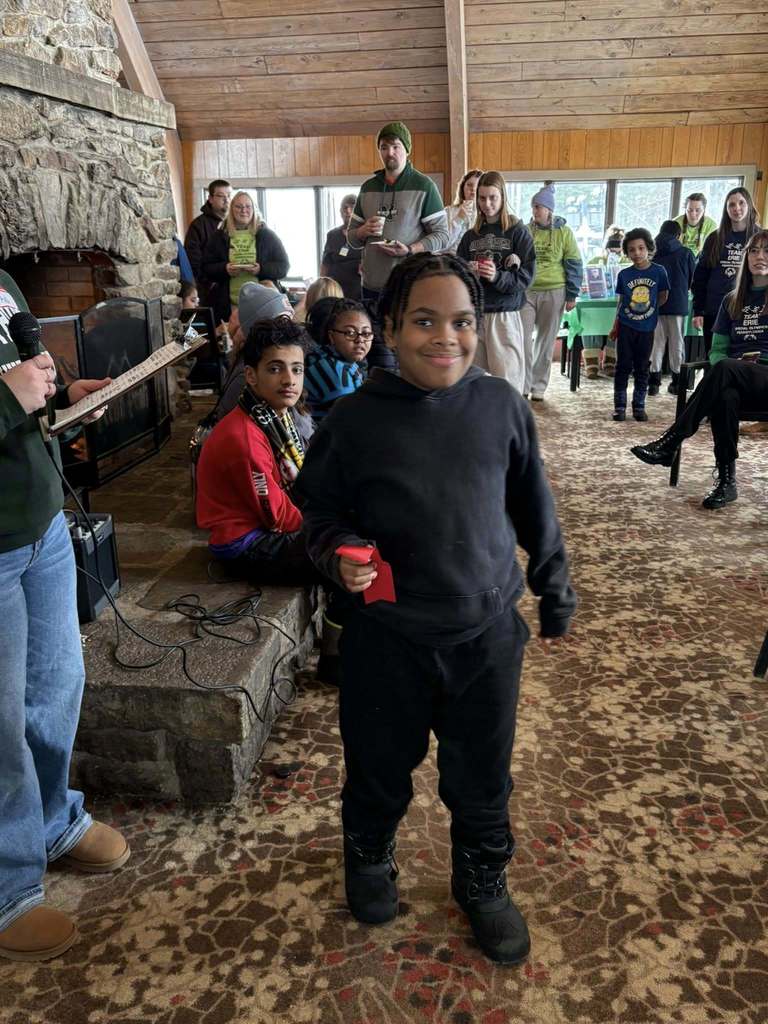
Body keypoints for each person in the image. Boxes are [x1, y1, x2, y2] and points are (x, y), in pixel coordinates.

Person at [294, 252, 576, 965]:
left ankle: (481, 878)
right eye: (424, 321)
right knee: (378, 766)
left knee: (482, 776)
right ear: (390, 327)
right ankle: (369, 852)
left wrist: (554, 585)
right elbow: (316, 512)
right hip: (385, 638)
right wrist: (338, 551)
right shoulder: (353, 420)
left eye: (462, 322)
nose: (445, 337)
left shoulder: (501, 406)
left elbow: (533, 506)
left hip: (486, 636)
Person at [0, 270, 130, 962]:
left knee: (56, 688)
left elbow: (24, 384)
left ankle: (52, 823)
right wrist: (6, 400)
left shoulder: (3, 282)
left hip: (42, 525)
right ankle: (8, 888)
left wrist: (61, 400)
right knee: (0, 726)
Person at [631, 230, 768, 509]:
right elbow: (717, 350)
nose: (760, 256)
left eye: (766, 251)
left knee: (726, 369)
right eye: (754, 251)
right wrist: (731, 368)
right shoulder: (731, 301)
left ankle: (671, 441)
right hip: (736, 380)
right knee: (725, 394)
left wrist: (734, 367)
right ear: (746, 258)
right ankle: (726, 482)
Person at [346, 121, 450, 300]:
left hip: (410, 286)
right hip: (371, 287)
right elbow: (351, 238)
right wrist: (362, 231)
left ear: (407, 149)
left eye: (396, 146)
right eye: (384, 147)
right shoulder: (367, 188)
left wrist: (410, 249)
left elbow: (442, 235)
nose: (390, 153)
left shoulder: (424, 186)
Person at [456, 170, 536, 394]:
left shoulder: (518, 232)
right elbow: (457, 274)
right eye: (482, 198)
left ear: (503, 197)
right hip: (475, 315)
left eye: (493, 197)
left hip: (505, 315)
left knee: (507, 382)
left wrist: (496, 276)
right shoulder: (470, 236)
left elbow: (527, 277)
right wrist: (468, 272)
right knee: (474, 382)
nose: (487, 204)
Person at [520, 183, 583, 401]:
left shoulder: (564, 233)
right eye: (533, 206)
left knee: (545, 342)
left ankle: (538, 386)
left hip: (555, 291)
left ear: (549, 209)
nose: (534, 210)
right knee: (522, 339)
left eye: (538, 206)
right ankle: (523, 384)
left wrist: (572, 294)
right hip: (527, 292)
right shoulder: (525, 230)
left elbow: (574, 263)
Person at [201, 191, 289, 326]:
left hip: (262, 305)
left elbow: (283, 267)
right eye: (239, 206)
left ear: (254, 209)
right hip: (228, 305)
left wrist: (261, 269)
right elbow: (206, 268)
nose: (244, 210)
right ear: (231, 209)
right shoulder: (219, 236)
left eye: (248, 206)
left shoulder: (267, 235)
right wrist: (225, 269)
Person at [610, 228, 669, 422]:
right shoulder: (624, 274)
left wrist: (648, 312)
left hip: (647, 328)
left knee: (642, 367)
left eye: (641, 248)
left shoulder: (659, 272)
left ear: (648, 248)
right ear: (627, 252)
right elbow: (621, 302)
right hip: (626, 326)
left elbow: (663, 296)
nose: (637, 253)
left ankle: (639, 406)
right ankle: (619, 407)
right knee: (622, 366)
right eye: (632, 249)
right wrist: (615, 325)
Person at [692, 186, 759, 356]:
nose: (737, 208)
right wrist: (698, 310)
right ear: (726, 209)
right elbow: (700, 277)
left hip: (749, 311)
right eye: (732, 205)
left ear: (749, 205)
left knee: (745, 360)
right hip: (714, 309)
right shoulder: (714, 238)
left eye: (741, 203)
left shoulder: (759, 237)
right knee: (715, 357)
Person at [648, 220, 696, 396]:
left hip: (655, 304)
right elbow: (692, 279)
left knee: (656, 343)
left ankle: (653, 383)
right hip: (678, 303)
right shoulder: (686, 253)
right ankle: (677, 383)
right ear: (678, 235)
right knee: (677, 344)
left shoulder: (651, 253)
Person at [304, 298, 372, 421]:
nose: (360, 340)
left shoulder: (340, 360)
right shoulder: (335, 371)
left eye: (366, 333)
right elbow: (355, 421)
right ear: (332, 336)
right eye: (350, 333)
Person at [582, 227, 627, 379]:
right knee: (589, 319)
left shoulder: (627, 263)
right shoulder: (595, 262)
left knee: (617, 320)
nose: (614, 254)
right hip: (596, 303)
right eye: (611, 250)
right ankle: (591, 362)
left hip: (617, 304)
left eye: (618, 251)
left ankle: (610, 360)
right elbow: (584, 280)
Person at [184, 179, 231, 304]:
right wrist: (209, 281)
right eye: (221, 196)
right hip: (209, 290)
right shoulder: (198, 225)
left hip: (234, 286)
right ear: (210, 199)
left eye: (229, 195)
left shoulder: (236, 223)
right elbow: (193, 261)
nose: (226, 200)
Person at [320, 194, 362, 299]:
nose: (348, 211)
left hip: (359, 293)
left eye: (352, 207)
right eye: (345, 207)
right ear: (340, 211)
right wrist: (321, 288)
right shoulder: (332, 235)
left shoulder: (365, 234)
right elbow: (325, 264)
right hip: (335, 292)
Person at [443, 168, 482, 254]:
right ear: (462, 187)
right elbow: (442, 244)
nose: (473, 189)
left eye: (478, 185)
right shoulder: (448, 211)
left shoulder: (487, 215)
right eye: (469, 185)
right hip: (451, 258)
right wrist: (459, 218)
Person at [674, 193, 717, 257]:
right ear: (685, 209)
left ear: (704, 210)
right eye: (690, 210)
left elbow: (712, 251)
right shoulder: (675, 223)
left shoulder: (711, 225)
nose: (693, 214)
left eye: (697, 210)